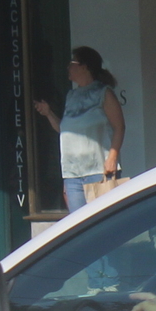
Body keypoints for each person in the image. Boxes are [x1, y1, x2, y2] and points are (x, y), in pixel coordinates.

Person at [33, 46, 126, 215]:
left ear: (84, 67)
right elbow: (65, 131)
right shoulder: (71, 96)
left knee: (101, 221)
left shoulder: (104, 93)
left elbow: (119, 127)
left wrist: (112, 157)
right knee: (79, 223)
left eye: (72, 63)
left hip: (99, 171)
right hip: (73, 175)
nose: (68, 67)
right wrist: (48, 114)